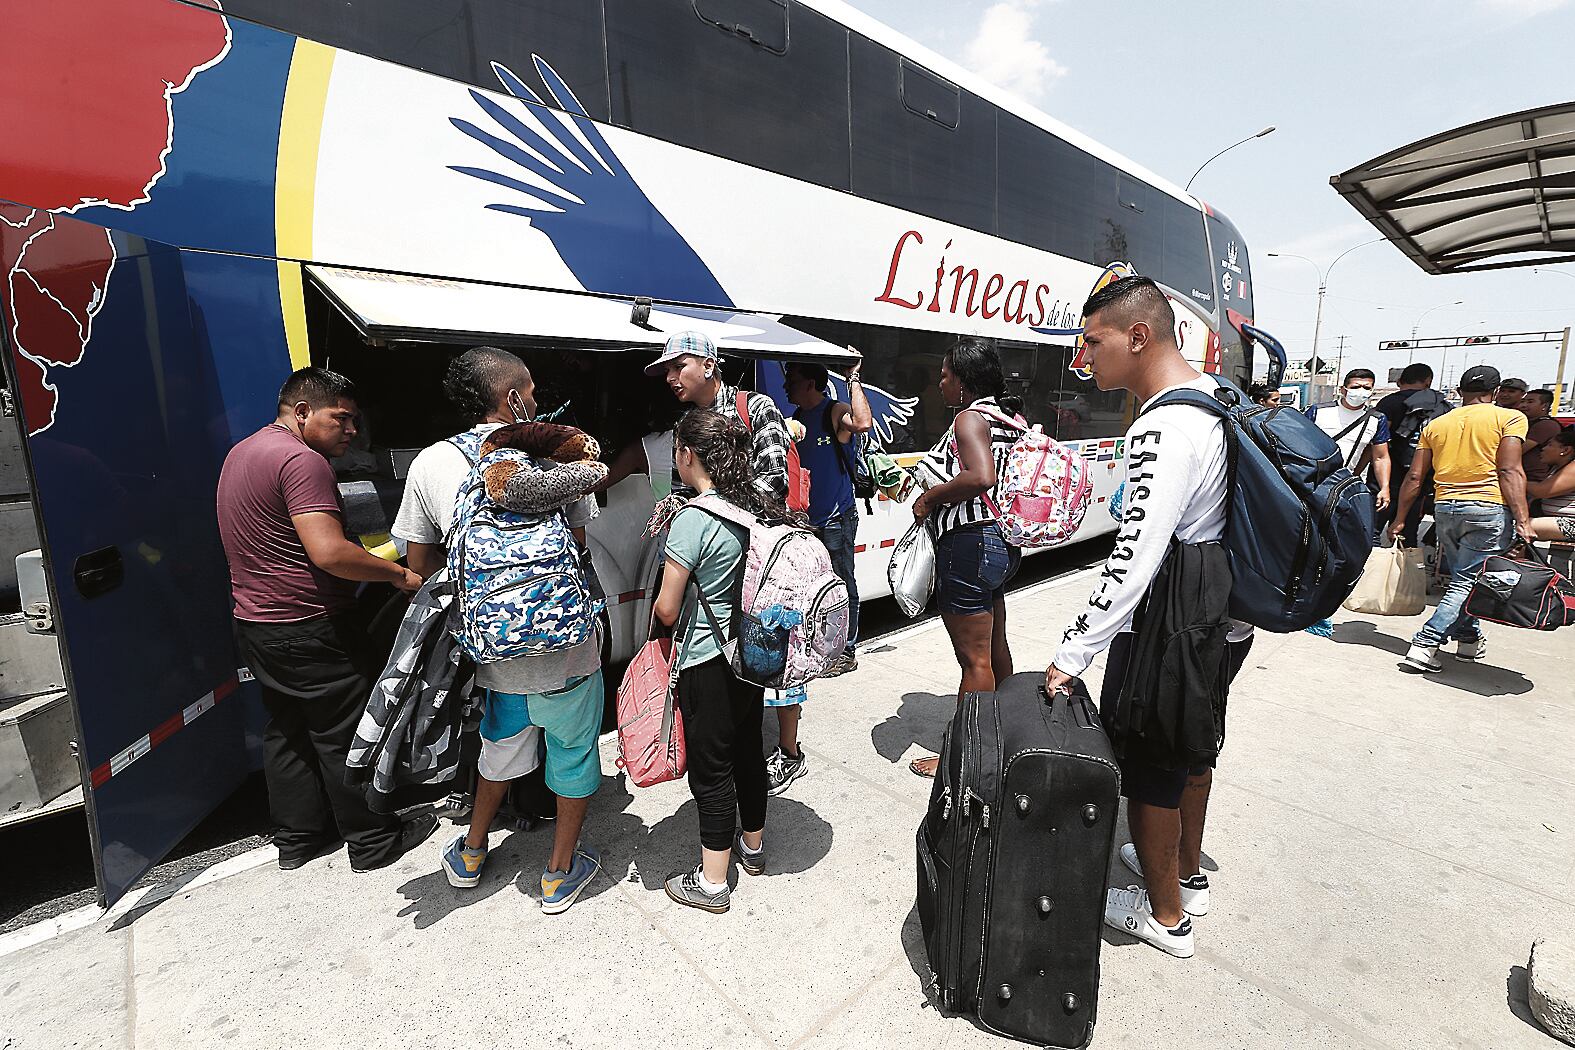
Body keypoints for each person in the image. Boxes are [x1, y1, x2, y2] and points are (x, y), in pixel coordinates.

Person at [1041, 276, 1236, 960]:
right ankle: (1185, 875)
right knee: (1194, 746)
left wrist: (1073, 651)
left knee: (1152, 760)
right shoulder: (1216, 397)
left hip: (1170, 615)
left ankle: (1166, 918)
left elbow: (1135, 554)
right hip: (1218, 606)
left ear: (1137, 336)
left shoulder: (1161, 424)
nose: (1083, 357)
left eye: (1091, 341)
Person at [391, 347, 605, 913]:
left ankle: (472, 850)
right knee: (573, 751)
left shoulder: (430, 464)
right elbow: (577, 547)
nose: (536, 400)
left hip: (494, 651)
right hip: (568, 654)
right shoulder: (557, 455)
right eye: (530, 391)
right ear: (512, 399)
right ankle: (559, 874)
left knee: (499, 747)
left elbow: (421, 567)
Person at [218, 367, 434, 872]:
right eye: (342, 418)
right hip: (308, 625)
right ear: (302, 412)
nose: (352, 430)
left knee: (288, 730)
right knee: (345, 731)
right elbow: (329, 552)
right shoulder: (301, 460)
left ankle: (298, 841)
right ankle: (372, 843)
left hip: (256, 624)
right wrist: (395, 575)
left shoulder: (242, 453)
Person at [648, 330, 811, 797]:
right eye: (666, 370)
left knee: (766, 661)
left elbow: (773, 487)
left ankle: (782, 754)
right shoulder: (688, 423)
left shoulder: (756, 409)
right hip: (717, 572)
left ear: (709, 365)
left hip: (759, 566)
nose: (671, 377)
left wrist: (707, 513)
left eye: (679, 366)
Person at [653, 409, 781, 914]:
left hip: (706, 661)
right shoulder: (750, 507)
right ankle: (752, 848)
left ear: (687, 455)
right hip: (750, 657)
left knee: (711, 770)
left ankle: (711, 883)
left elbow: (666, 608)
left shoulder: (693, 519)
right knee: (749, 751)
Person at [907, 339, 1023, 779]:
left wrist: (930, 497)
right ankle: (1011, 735)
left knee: (974, 661)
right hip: (1000, 544)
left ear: (963, 382)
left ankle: (964, 758)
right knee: (995, 649)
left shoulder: (968, 418)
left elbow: (981, 476)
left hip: (969, 545)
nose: (940, 381)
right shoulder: (1007, 416)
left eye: (945, 374)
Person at [1392, 364, 1533, 673]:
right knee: (1467, 581)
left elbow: (1415, 477)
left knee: (1464, 579)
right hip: (1488, 509)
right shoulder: (1510, 418)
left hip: (1446, 509)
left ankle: (1468, 640)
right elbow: (1510, 470)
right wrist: (1523, 520)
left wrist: (1400, 518)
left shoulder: (1437, 424)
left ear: (1459, 392)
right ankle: (1425, 644)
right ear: (1495, 392)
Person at [784, 359, 874, 677]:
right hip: (807, 522)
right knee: (811, 589)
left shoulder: (832, 412)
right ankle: (819, 648)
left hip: (836, 518)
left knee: (842, 582)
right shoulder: (795, 419)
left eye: (791, 380)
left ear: (810, 383)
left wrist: (853, 378)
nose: (785, 386)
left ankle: (846, 650)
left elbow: (862, 423)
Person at [1301, 369, 1394, 636]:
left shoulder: (1376, 420)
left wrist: (1384, 487)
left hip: (1344, 489)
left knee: (1336, 551)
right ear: (1343, 388)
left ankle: (1320, 609)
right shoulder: (1318, 412)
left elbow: (1380, 457)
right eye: (1356, 386)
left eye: (1367, 387)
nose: (1360, 392)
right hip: (1309, 486)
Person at [1374, 363, 1451, 546]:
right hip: (1420, 481)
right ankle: (1406, 573)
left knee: (1372, 531)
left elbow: (1375, 441)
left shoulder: (1389, 403)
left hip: (1384, 479)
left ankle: (1369, 571)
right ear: (1428, 381)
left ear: (1400, 381)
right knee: (1408, 534)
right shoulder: (1442, 407)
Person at [1528, 428, 1575, 540]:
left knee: (1514, 525)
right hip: (1556, 520)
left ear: (1565, 450)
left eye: (1549, 445)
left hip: (1571, 524)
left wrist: (1514, 480)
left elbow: (1543, 491)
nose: (1543, 449)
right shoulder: (1556, 469)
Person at [1518, 389, 1565, 484]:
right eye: (1523, 401)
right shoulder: (1527, 423)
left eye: (1530, 402)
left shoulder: (1546, 425)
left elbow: (1518, 450)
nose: (1524, 405)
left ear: (1544, 406)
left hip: (1532, 479)